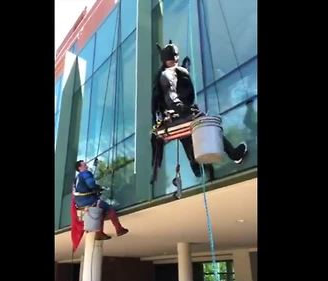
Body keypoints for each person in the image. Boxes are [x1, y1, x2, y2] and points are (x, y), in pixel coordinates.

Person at [151, 41, 248, 181]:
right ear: (166, 61)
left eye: (175, 59)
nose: (174, 62)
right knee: (206, 125)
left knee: (188, 138)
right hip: (178, 115)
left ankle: (196, 167)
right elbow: (171, 96)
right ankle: (233, 154)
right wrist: (182, 107)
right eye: (172, 60)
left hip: (176, 118)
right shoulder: (166, 76)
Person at [73, 160, 129, 240]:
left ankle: (99, 234)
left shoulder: (76, 178)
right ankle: (119, 229)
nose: (86, 166)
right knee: (110, 209)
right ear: (80, 167)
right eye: (84, 165)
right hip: (89, 200)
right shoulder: (85, 173)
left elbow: (80, 190)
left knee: (101, 213)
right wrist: (98, 188)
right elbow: (91, 185)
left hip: (81, 204)